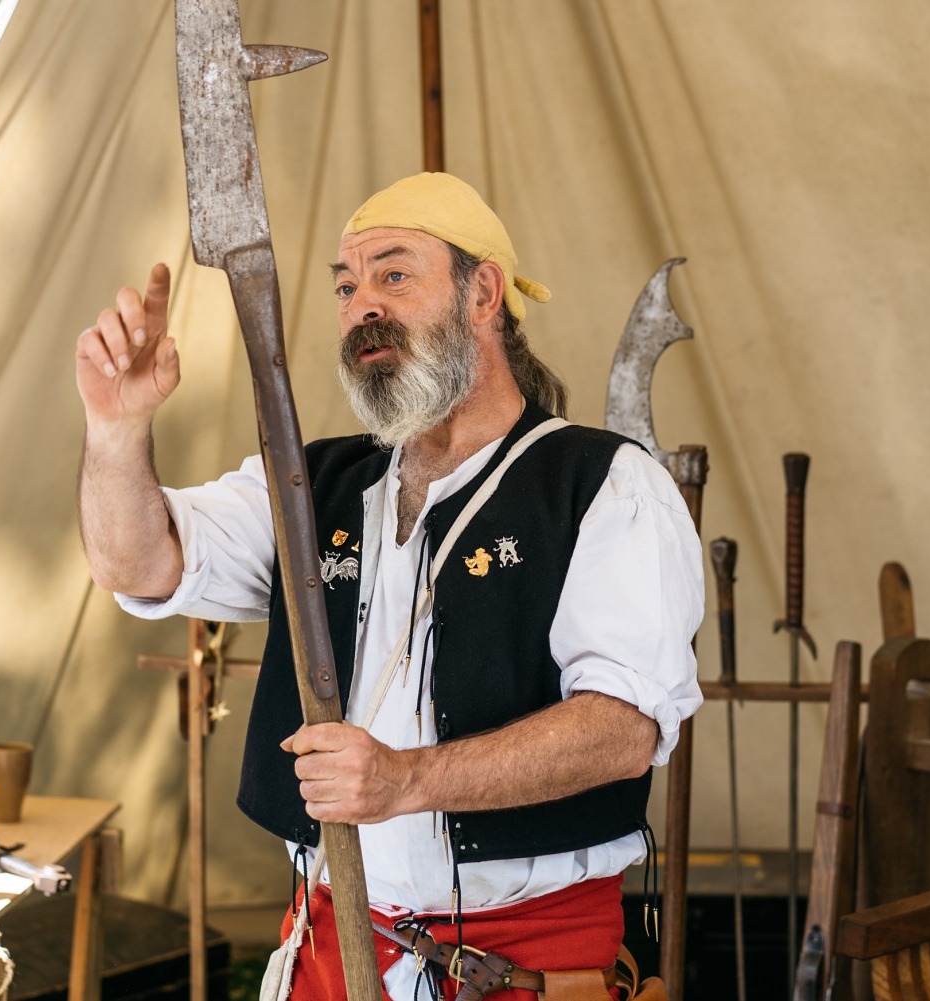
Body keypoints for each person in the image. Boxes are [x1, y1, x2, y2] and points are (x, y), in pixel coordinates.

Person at [75, 172, 703, 1000]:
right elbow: (138, 563)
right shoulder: (313, 485)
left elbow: (622, 727)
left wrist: (408, 779)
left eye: (394, 275)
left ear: (483, 292)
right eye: (346, 284)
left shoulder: (603, 485)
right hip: (331, 950)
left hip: (521, 966)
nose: (362, 302)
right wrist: (117, 429)